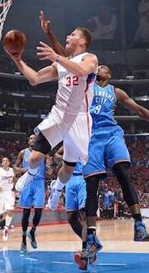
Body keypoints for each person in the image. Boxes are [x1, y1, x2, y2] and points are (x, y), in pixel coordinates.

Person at [39, 13, 149, 261]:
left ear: (108, 75)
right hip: (90, 136)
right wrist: (50, 34)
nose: (100, 67)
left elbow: (140, 110)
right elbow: (67, 60)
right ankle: (90, 239)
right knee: (92, 187)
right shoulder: (83, 78)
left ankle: (139, 224)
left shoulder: (116, 91)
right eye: (98, 66)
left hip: (111, 134)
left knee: (123, 172)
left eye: (104, 68)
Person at [5, 15, 98, 211]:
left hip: (79, 119)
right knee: (34, 159)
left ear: (82, 41)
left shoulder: (90, 58)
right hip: (58, 114)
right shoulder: (61, 64)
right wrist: (18, 61)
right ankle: (29, 175)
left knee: (68, 169)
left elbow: (81, 71)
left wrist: (56, 56)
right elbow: (35, 79)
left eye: (72, 34)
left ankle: (57, 188)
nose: (68, 36)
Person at [14, 134, 53, 255]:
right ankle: (24, 241)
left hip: (39, 182)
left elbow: (50, 174)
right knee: (25, 213)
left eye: (35, 139)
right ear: (28, 141)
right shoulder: (22, 153)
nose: (33, 140)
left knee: (38, 210)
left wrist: (49, 165)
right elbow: (15, 167)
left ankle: (33, 231)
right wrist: (22, 170)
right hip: (27, 182)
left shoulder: (43, 154)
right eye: (31, 138)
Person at [53, 146, 90, 270]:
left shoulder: (89, 139)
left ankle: (85, 253)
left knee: (85, 215)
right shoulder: (69, 141)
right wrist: (66, 159)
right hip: (70, 179)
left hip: (85, 178)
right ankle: (90, 244)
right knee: (71, 218)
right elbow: (56, 156)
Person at [0, 157, 15, 243]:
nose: (4, 162)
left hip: (8, 192)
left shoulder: (12, 170)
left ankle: (6, 229)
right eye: (3, 161)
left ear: (9, 162)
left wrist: (13, 182)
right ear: (2, 163)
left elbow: (14, 179)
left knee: (10, 210)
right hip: (0, 192)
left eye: (6, 161)